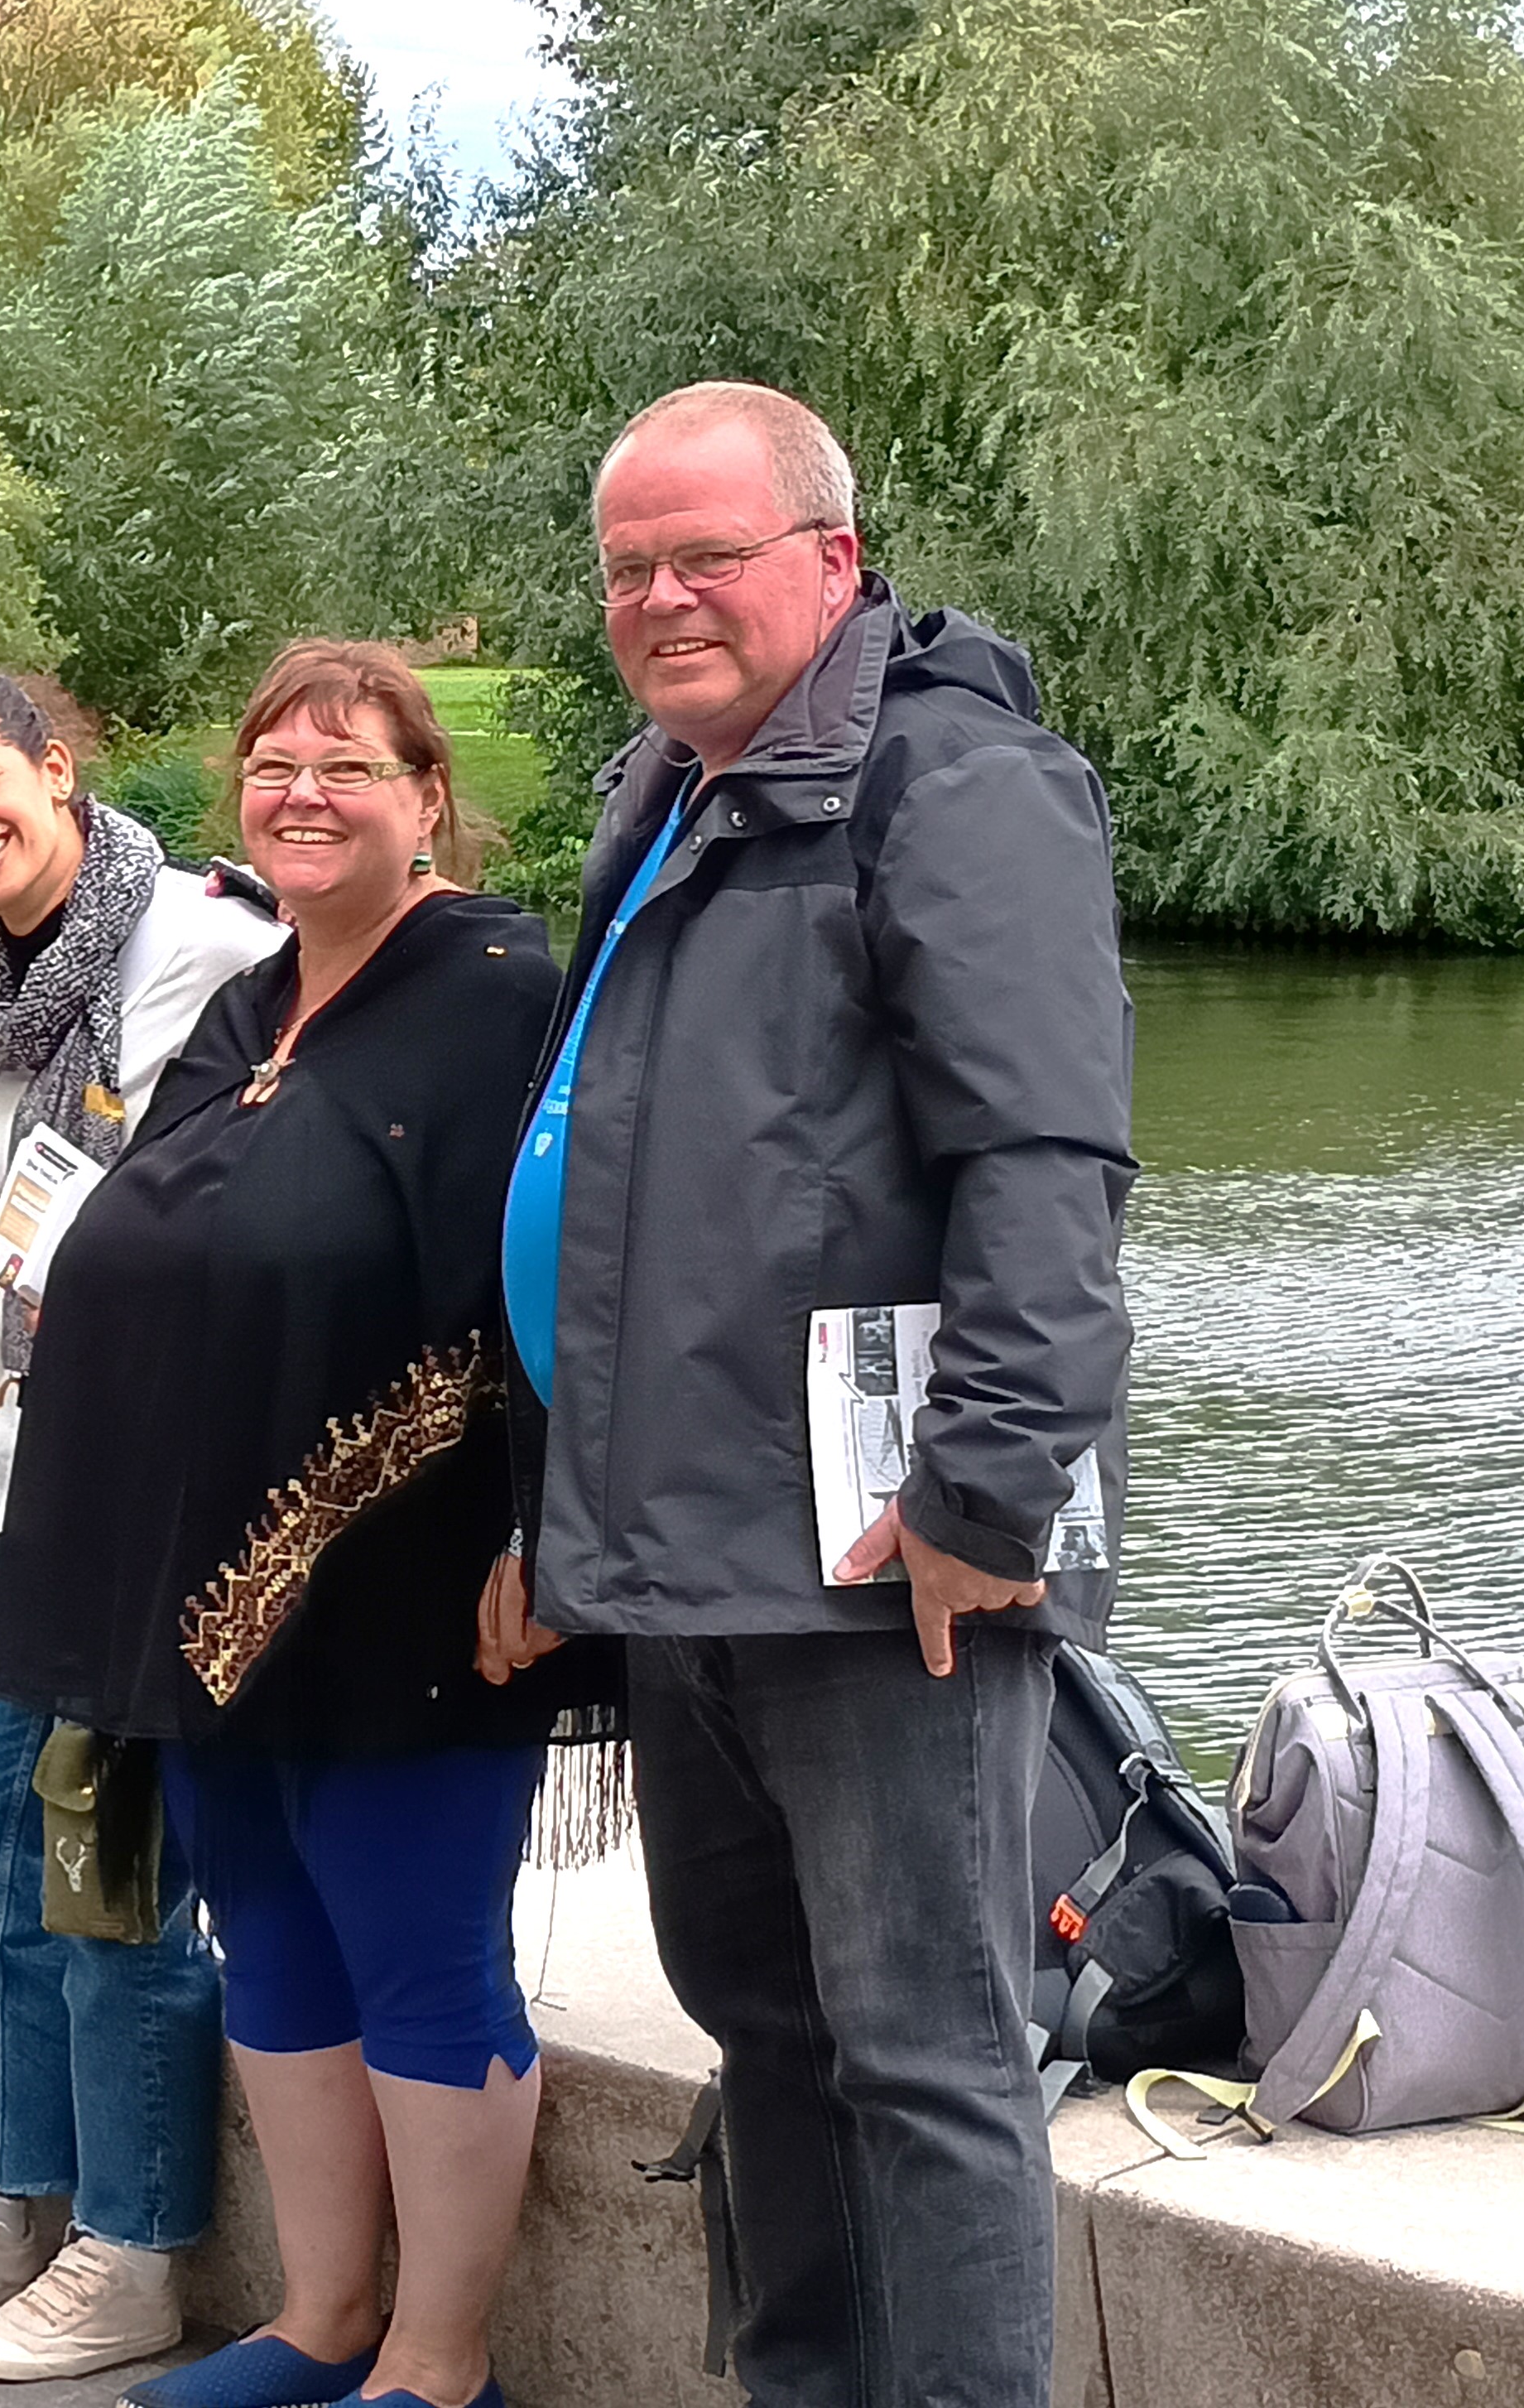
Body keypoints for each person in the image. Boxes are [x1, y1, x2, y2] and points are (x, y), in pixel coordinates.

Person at [486, 383, 1132, 2408]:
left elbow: (1042, 1165)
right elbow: (605, 1190)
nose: (662, 597)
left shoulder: (952, 781)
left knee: (927, 2052)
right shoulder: (667, 786)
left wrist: (985, 1498)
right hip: (686, 1547)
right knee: (762, 2032)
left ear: (832, 563)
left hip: (884, 1563)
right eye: (626, 570)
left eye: (705, 556)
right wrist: (551, 1515)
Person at [0, 646, 623, 2408]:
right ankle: (323, 2316)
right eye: (273, 766)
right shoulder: (251, 1000)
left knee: (417, 1944)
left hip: (420, 1574)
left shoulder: (500, 991)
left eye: (349, 765)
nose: (302, 795)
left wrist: (547, 1535)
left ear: (429, 798)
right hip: (213, 1584)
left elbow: (561, 1284)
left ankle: (437, 2363)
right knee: (264, 1927)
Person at [0, 666, 273, 2385]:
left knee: (113, 1870)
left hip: (141, 1489)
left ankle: (133, 2241)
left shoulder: (202, 948)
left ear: (55, 765)